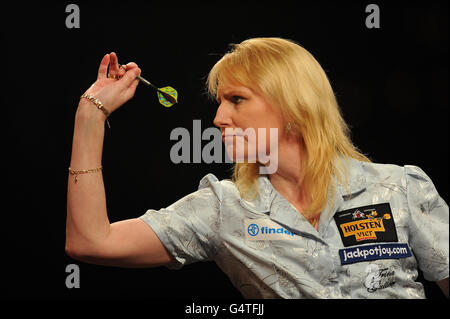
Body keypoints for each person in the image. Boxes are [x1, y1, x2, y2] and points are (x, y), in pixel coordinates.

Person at [66, 37, 449, 299]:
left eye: (237, 99)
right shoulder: (223, 208)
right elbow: (90, 242)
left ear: (293, 106)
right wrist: (90, 115)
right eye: (220, 101)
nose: (218, 118)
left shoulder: (400, 187)